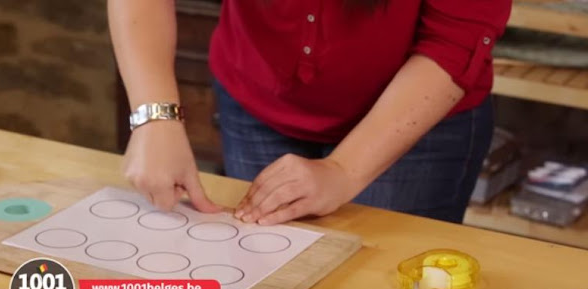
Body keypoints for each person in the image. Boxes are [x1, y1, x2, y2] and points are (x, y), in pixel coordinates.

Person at [108, 0, 511, 226]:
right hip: (258, 102)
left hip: (417, 129)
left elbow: (454, 39)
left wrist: (344, 171)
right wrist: (154, 116)